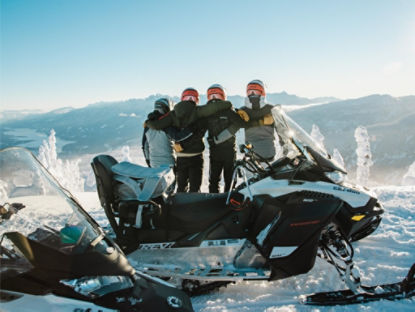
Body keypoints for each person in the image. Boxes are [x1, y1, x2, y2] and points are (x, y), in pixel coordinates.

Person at [146, 88, 232, 192]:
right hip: (196, 156)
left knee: (181, 188)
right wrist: (228, 104)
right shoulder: (199, 111)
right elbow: (215, 107)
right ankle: (195, 207)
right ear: (196, 100)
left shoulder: (173, 114)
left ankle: (181, 207)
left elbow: (157, 125)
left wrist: (149, 121)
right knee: (195, 189)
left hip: (181, 157)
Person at [205, 84, 249, 193]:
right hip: (219, 151)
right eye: (211, 96)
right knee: (217, 180)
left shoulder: (227, 111)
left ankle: (223, 201)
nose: (214, 98)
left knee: (225, 179)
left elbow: (240, 123)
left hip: (224, 151)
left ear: (223, 96)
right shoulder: (211, 112)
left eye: (217, 95)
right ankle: (218, 201)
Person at [238, 80, 277, 161]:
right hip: (253, 154)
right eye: (249, 91)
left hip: (262, 154)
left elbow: (282, 130)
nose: (252, 94)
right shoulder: (243, 111)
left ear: (262, 92)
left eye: (255, 91)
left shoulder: (271, 109)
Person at [142, 98, 175, 168]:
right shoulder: (169, 124)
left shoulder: (148, 125)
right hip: (169, 163)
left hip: (154, 164)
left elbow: (145, 146)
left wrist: (148, 161)